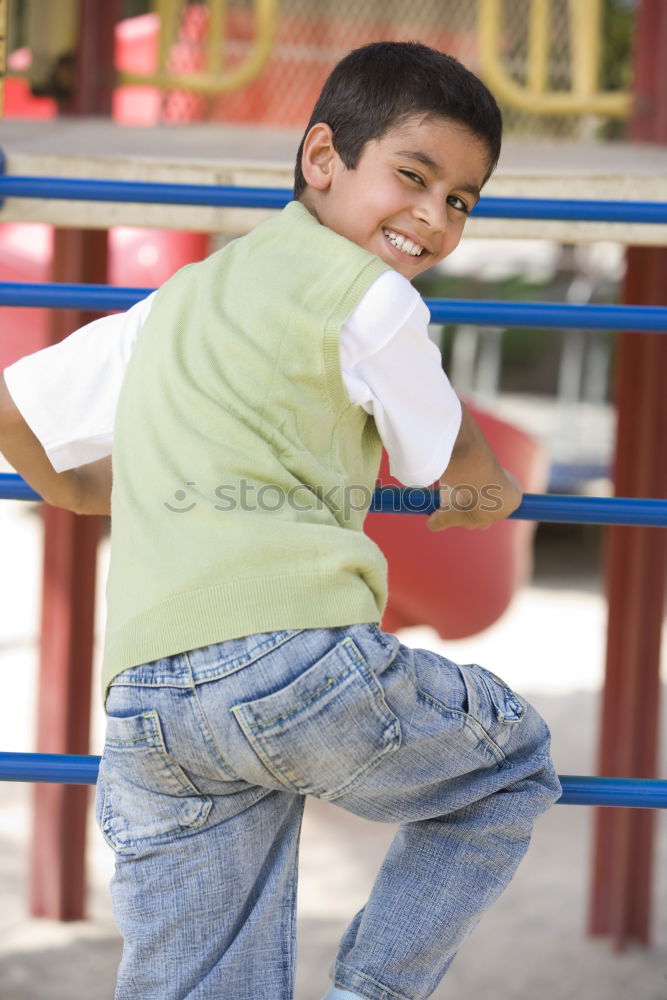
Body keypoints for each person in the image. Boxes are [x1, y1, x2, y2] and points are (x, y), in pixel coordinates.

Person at [0, 41, 560, 1000]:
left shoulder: (177, 300)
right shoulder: (370, 296)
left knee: (198, 977)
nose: (431, 216)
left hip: (147, 700)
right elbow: (443, 459)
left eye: (461, 201)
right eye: (413, 177)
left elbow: (18, 401)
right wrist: (487, 486)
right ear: (321, 158)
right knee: (507, 768)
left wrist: (85, 491)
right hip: (290, 664)